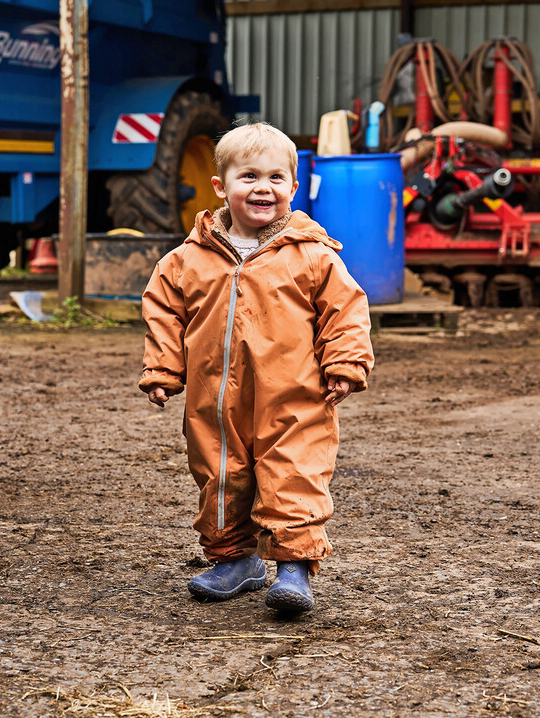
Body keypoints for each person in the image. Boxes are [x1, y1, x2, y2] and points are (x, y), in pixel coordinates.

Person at [139, 122, 373, 613]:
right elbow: (163, 311)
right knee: (220, 476)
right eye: (248, 177)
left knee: (293, 473)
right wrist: (163, 368)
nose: (262, 188)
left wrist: (346, 362)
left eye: (275, 178)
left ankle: (293, 568)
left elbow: (345, 309)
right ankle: (234, 559)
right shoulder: (187, 259)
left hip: (296, 396)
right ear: (221, 187)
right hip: (215, 401)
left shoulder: (311, 255)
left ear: (293, 185)